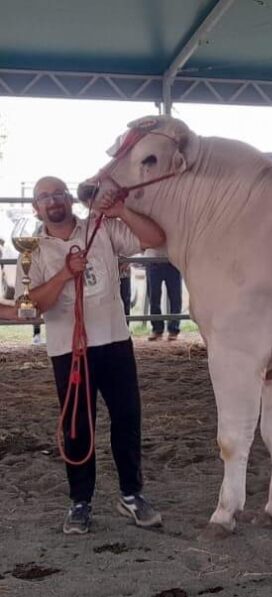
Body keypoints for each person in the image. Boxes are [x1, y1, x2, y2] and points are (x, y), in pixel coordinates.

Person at [17, 176, 166, 535]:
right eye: (44, 197)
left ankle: (131, 495)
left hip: (114, 340)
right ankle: (80, 502)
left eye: (57, 194)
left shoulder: (103, 228)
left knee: (127, 419)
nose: (52, 201)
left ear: (69, 199)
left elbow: (153, 239)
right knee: (77, 427)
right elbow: (36, 305)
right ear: (37, 207)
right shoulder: (33, 251)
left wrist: (119, 209)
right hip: (69, 349)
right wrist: (66, 275)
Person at [144, 247, 182, 341]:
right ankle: (157, 329)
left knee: (175, 297)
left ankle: (174, 329)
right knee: (154, 296)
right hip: (153, 260)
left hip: (172, 261)